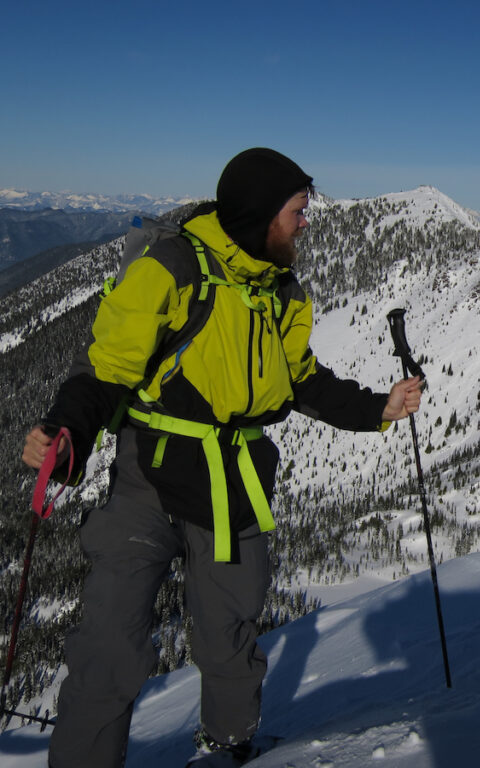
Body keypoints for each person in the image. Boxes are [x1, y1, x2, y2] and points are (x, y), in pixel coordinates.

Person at [21, 148, 422, 768]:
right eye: (297, 210)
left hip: (232, 482)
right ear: (261, 214)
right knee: (109, 643)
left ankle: (227, 749)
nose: (306, 222)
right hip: (147, 483)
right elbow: (107, 367)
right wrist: (65, 433)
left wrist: (378, 408)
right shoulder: (174, 268)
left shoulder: (280, 289)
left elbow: (300, 380)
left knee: (228, 635)